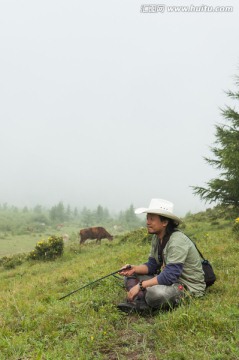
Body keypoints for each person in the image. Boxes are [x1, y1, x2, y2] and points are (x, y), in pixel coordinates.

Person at [117, 198, 206, 314]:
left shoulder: (177, 241)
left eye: (152, 219)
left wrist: (140, 285)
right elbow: (153, 265)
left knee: (155, 294)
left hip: (186, 287)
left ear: (164, 222)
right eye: (147, 218)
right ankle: (140, 301)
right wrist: (134, 268)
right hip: (170, 281)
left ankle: (142, 302)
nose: (148, 222)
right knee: (131, 275)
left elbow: (170, 276)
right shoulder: (157, 237)